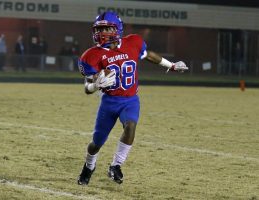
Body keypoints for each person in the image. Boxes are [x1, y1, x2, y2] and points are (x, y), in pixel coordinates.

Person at [77, 11, 188, 185]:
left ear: (117, 29)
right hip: (109, 102)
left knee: (130, 126)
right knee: (97, 143)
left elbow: (149, 55)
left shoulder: (133, 42)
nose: (102, 33)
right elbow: (87, 88)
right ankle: (89, 166)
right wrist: (96, 85)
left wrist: (171, 65)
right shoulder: (91, 55)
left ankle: (116, 165)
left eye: (107, 28)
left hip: (130, 100)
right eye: (99, 29)